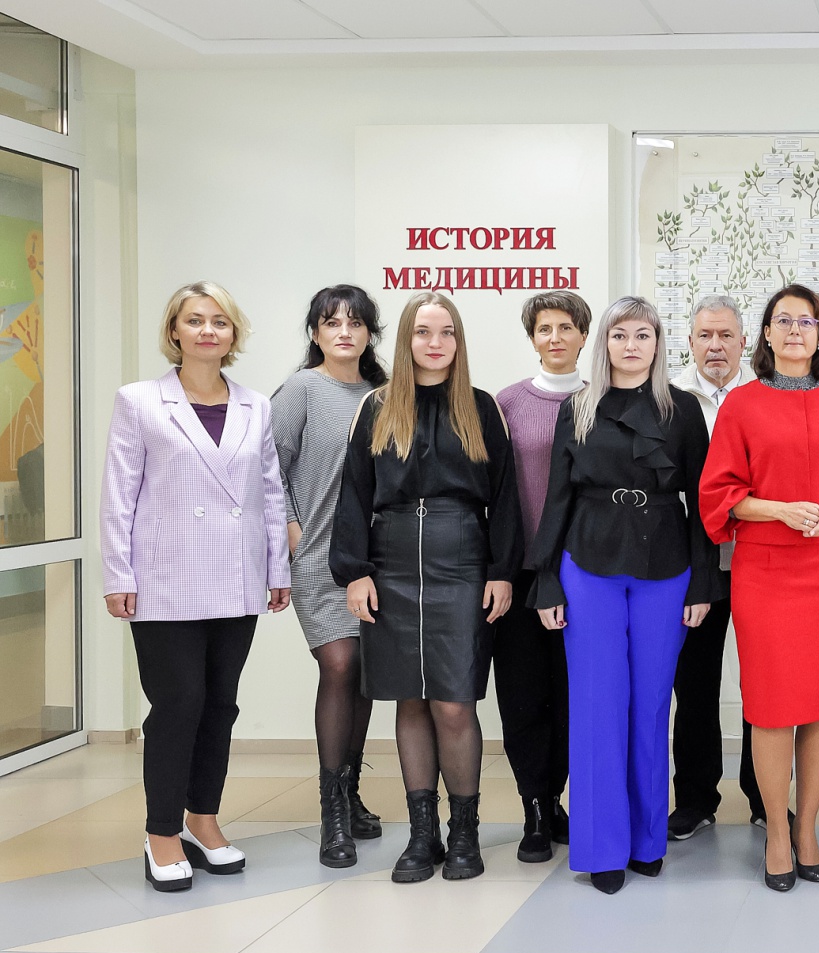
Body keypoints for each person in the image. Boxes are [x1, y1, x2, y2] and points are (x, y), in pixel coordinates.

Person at [699, 283, 819, 892]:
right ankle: (777, 834)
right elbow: (718, 494)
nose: (794, 331)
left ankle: (807, 828)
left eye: (805, 322)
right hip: (765, 571)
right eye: (782, 321)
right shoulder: (742, 405)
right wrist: (778, 509)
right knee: (771, 706)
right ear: (765, 334)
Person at [101, 281, 291, 892]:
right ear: (174, 331)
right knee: (178, 703)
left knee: (220, 704)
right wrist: (118, 573)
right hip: (164, 578)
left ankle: (202, 819)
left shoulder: (255, 406)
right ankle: (161, 831)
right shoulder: (140, 401)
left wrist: (277, 569)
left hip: (236, 575)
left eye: (220, 321)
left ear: (233, 334)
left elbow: (269, 492)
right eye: (195, 320)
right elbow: (118, 494)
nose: (208, 330)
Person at [530, 296, 721, 895]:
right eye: (620, 335)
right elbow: (557, 497)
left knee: (651, 705)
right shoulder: (578, 408)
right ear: (604, 343)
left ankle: (645, 839)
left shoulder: (682, 410)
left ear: (658, 344)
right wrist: (545, 578)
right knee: (597, 705)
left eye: (643, 335)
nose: (631, 345)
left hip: (667, 569)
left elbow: (702, 504)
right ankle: (601, 847)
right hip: (587, 566)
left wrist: (705, 581)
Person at [330, 291, 521, 885]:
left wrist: (502, 571)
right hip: (389, 565)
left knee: (454, 701)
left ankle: (464, 834)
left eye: (446, 332)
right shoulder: (376, 407)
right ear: (405, 340)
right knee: (408, 700)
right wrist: (354, 570)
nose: (434, 343)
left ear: (459, 341)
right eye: (422, 331)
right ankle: (423, 834)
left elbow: (507, 498)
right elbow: (353, 493)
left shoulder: (482, 408)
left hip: (461, 561)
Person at [272, 284, 390, 869]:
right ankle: (332, 812)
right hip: (318, 555)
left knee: (363, 672)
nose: (344, 332)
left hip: (377, 560)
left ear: (370, 333)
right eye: (331, 322)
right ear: (315, 333)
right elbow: (267, 466)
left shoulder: (385, 395)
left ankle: (351, 792)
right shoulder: (301, 390)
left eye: (355, 322)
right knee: (340, 665)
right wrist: (290, 527)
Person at [493, 290, 591, 863]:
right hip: (522, 572)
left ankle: (566, 800)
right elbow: (496, 494)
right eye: (544, 329)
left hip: (584, 575)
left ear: (583, 336)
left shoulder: (601, 400)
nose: (555, 337)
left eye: (566, 327)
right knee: (524, 695)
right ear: (532, 338)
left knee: (573, 696)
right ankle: (535, 806)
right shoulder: (507, 403)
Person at [667, 294, 765, 839]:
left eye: (726, 335)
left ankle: (763, 795)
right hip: (691, 568)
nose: (715, 346)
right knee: (695, 684)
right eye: (705, 335)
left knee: (763, 683)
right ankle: (695, 798)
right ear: (689, 341)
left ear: (744, 342)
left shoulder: (764, 395)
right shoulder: (669, 399)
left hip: (757, 562)